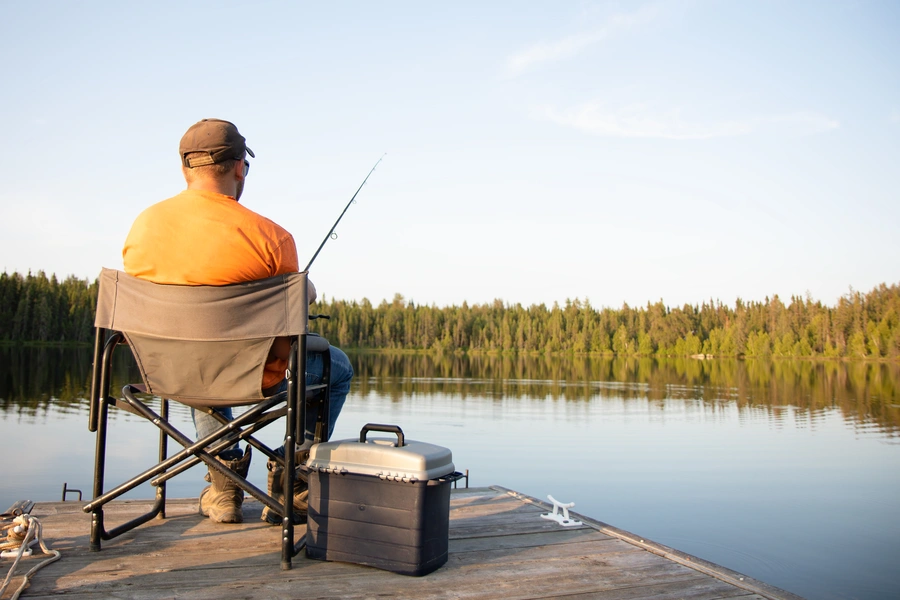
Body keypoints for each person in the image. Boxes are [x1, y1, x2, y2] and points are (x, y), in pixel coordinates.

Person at [122, 118, 353, 525]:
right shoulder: (271, 237)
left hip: (167, 369)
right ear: (239, 168)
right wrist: (307, 288)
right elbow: (296, 308)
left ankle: (223, 485)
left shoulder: (143, 227)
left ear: (184, 169)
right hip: (252, 373)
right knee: (337, 367)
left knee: (199, 360)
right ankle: (290, 475)